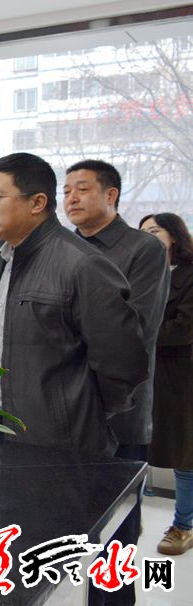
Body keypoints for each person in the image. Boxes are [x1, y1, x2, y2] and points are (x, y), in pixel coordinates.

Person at [0, 152, 147, 456]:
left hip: (56, 440)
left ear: (37, 203)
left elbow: (123, 362)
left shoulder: (82, 264)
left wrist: (81, 414)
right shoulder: (0, 258)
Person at [64, 160, 169, 461]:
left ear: (111, 195)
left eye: (82, 189)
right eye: (66, 191)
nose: (72, 199)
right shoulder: (59, 248)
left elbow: (137, 329)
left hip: (118, 409)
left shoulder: (144, 248)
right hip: (60, 409)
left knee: (118, 492)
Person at [140, 213, 193, 557]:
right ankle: (130, 515)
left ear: (174, 235)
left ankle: (183, 526)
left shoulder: (189, 274)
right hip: (144, 373)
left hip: (179, 376)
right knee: (135, 449)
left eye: (154, 230)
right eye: (142, 231)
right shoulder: (142, 273)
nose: (147, 236)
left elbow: (183, 328)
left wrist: (135, 333)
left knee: (184, 454)